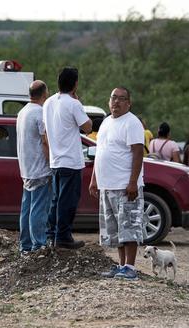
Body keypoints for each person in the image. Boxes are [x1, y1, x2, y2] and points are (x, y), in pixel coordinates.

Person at [89, 87, 145, 280]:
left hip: (124, 185)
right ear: (108, 101)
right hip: (107, 185)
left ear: (128, 103)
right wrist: (94, 179)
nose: (117, 102)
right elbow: (100, 152)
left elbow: (138, 153)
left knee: (129, 227)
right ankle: (121, 265)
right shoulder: (105, 123)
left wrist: (132, 182)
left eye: (122, 99)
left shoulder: (132, 122)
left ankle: (130, 267)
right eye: (114, 98)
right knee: (116, 230)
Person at [43, 67, 92, 249]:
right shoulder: (73, 104)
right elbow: (87, 127)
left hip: (55, 160)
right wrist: (78, 103)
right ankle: (63, 236)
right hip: (71, 161)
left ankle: (51, 235)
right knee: (68, 201)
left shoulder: (48, 102)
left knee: (56, 200)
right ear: (75, 84)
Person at [16, 80, 52, 254]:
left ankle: (25, 245)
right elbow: (45, 141)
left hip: (26, 168)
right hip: (40, 168)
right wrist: (50, 163)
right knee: (38, 208)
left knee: (27, 208)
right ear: (44, 94)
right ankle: (38, 244)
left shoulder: (22, 112)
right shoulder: (41, 113)